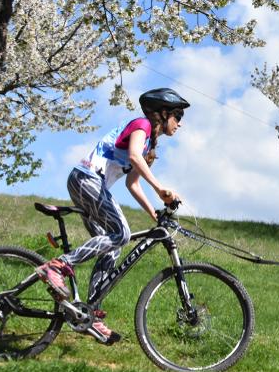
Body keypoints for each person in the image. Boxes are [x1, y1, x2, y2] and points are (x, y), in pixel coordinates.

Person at [34, 87, 190, 343]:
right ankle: (58, 265)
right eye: (178, 116)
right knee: (122, 234)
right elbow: (133, 156)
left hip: (90, 184)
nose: (180, 124)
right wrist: (161, 188)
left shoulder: (150, 144)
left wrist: (155, 215)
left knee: (112, 248)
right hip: (87, 179)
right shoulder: (142, 125)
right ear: (162, 113)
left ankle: (91, 314)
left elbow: (133, 184)